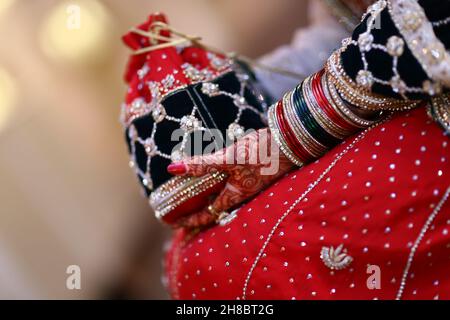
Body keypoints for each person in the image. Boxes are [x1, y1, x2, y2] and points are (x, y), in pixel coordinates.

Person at [164, 0, 450, 299]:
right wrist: (233, 93)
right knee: (200, 254)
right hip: (392, 102)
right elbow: (343, 30)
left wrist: (285, 139)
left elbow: (425, 25)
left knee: (249, 255)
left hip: (432, 116)